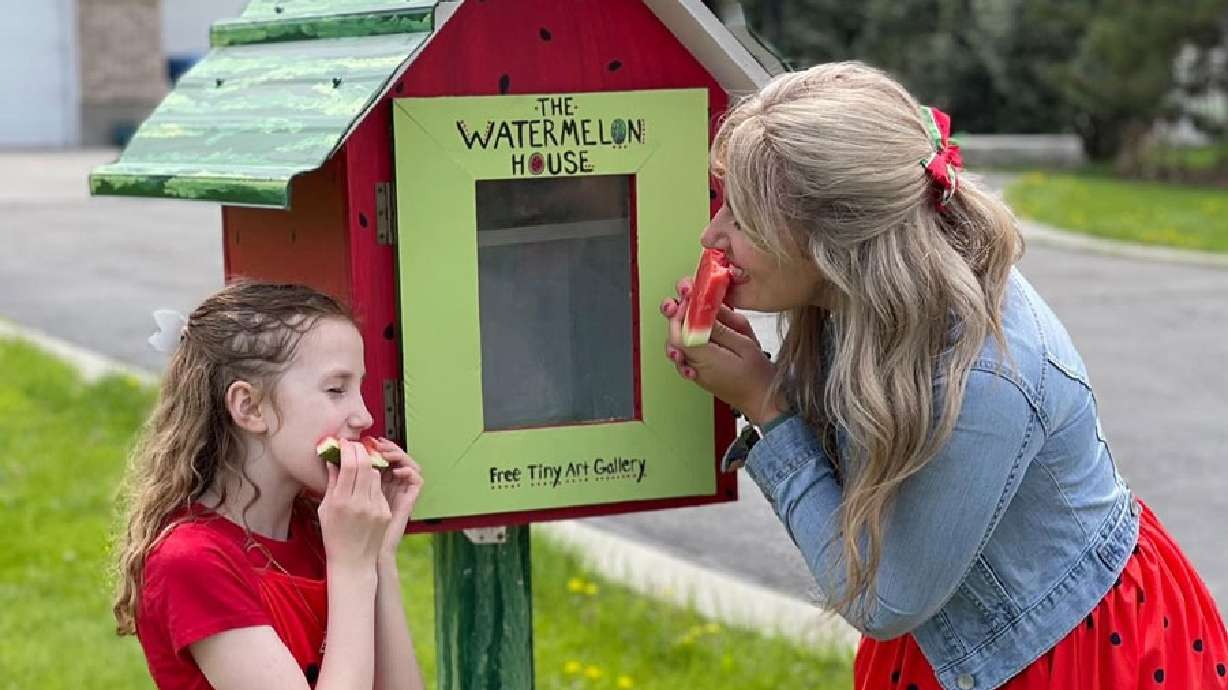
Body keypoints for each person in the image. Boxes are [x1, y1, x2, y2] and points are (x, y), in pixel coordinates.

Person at [661, 61, 1228, 690]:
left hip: (1072, 653)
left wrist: (767, 406)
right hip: (956, 640)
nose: (713, 235)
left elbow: (884, 601)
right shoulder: (860, 293)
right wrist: (770, 383)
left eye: (742, 219)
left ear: (833, 240)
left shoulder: (987, 375)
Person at [111, 281, 426, 690]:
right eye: (336, 390)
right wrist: (351, 567)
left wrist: (378, 553)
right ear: (249, 407)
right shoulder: (193, 561)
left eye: (360, 388)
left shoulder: (319, 528)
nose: (364, 416)